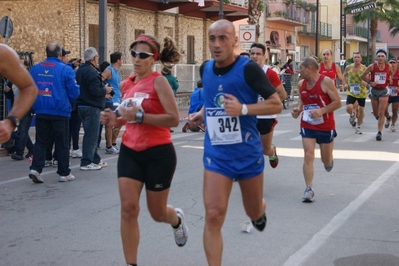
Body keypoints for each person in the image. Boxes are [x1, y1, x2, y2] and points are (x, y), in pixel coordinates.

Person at [188, 20, 282, 266]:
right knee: (213, 215)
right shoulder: (205, 69)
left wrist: (242, 108)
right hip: (217, 154)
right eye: (212, 38)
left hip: (247, 153)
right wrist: (202, 114)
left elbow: (276, 104)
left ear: (234, 41)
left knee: (252, 212)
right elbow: (213, 101)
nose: (216, 44)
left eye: (222, 38)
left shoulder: (249, 69)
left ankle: (259, 209)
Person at [100, 34, 188, 266]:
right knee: (128, 209)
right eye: (134, 54)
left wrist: (140, 116)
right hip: (130, 151)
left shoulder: (159, 82)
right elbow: (124, 118)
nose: (137, 59)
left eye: (143, 55)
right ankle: (131, 263)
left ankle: (176, 220)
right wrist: (112, 119)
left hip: (158, 153)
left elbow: (174, 119)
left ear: (153, 59)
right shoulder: (126, 84)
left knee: (157, 213)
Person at [291, 56, 341, 202]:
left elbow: (337, 103)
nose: (298, 70)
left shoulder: (325, 82)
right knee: (308, 155)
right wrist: (298, 110)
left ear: (309, 68)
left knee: (326, 160)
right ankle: (309, 189)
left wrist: (321, 111)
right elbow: (303, 99)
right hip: (308, 123)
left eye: (300, 67)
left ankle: (329, 159)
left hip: (325, 125)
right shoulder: (301, 84)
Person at [28, 42, 80, 183]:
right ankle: (64, 173)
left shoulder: (35, 69)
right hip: (60, 112)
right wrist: (67, 102)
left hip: (41, 111)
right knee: (62, 143)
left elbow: (29, 89)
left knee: (40, 141)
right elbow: (74, 92)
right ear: (60, 54)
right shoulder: (66, 69)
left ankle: (36, 169)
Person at [250, 42, 287, 168]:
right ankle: (244, 170)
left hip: (266, 117)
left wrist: (265, 104)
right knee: (247, 146)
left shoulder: (270, 73)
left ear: (264, 56)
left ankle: (272, 151)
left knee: (265, 149)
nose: (255, 56)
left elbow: (282, 94)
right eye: (252, 53)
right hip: (249, 115)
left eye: (258, 54)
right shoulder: (244, 72)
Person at [75, 47, 113, 170]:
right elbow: (95, 90)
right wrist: (105, 90)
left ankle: (95, 159)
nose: (98, 60)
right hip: (91, 106)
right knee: (91, 135)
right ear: (94, 58)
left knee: (92, 133)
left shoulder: (82, 70)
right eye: (97, 57)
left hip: (82, 104)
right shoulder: (91, 72)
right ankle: (86, 162)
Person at [0, 44, 37, 146]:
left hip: (23, 107)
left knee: (23, 130)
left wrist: (11, 121)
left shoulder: (3, 53)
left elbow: (29, 87)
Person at [4, 59, 35, 160]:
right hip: (17, 108)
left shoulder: (29, 77)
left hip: (27, 106)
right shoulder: (12, 78)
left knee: (23, 130)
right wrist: (7, 91)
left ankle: (19, 152)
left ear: (26, 66)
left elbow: (33, 91)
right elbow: (9, 95)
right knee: (22, 130)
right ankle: (31, 148)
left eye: (21, 64)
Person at [361, 49, 394, 141]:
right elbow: (362, 76)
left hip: (384, 90)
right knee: (376, 113)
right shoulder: (372, 66)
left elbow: (391, 73)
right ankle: (384, 117)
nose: (380, 58)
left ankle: (379, 132)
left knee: (381, 112)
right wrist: (370, 82)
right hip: (374, 91)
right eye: (379, 56)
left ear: (385, 58)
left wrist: (390, 79)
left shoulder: (389, 66)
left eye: (382, 56)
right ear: (376, 57)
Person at [101, 52, 123, 154]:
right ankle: (109, 146)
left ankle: (113, 143)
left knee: (120, 122)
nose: (122, 61)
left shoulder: (115, 71)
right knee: (109, 124)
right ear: (118, 60)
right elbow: (99, 80)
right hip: (110, 101)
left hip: (117, 100)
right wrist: (104, 92)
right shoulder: (109, 70)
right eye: (121, 59)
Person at [343, 52, 368, 134]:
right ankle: (352, 114)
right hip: (351, 91)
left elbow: (368, 79)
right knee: (349, 108)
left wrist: (366, 82)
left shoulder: (364, 68)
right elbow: (344, 76)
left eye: (358, 57)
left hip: (361, 92)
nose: (356, 59)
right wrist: (345, 84)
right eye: (355, 57)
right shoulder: (348, 67)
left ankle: (358, 126)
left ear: (361, 59)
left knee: (361, 109)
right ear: (353, 59)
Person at [384, 58, 399, 132]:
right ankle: (388, 118)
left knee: (395, 110)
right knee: (383, 109)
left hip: (396, 94)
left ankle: (393, 124)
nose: (392, 64)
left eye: (394, 62)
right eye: (391, 62)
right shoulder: (386, 72)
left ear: (396, 64)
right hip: (387, 94)